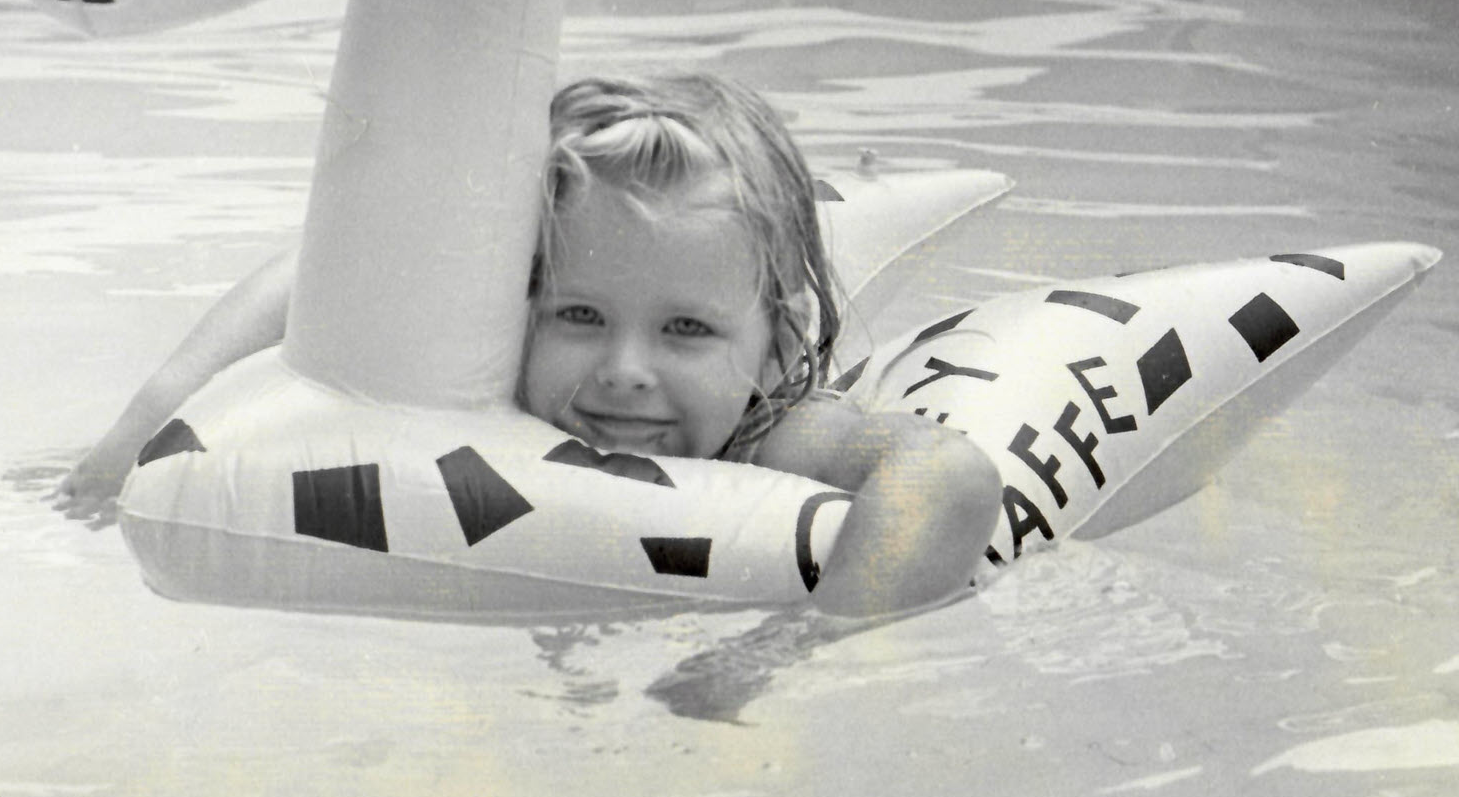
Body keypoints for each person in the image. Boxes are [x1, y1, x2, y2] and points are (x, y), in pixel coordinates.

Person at [59, 73, 1001, 616]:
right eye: (579, 316)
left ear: (772, 346)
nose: (626, 370)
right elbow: (319, 271)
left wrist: (794, 658)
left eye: (686, 330)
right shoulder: (473, 386)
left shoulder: (765, 434)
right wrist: (117, 458)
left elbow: (948, 474)